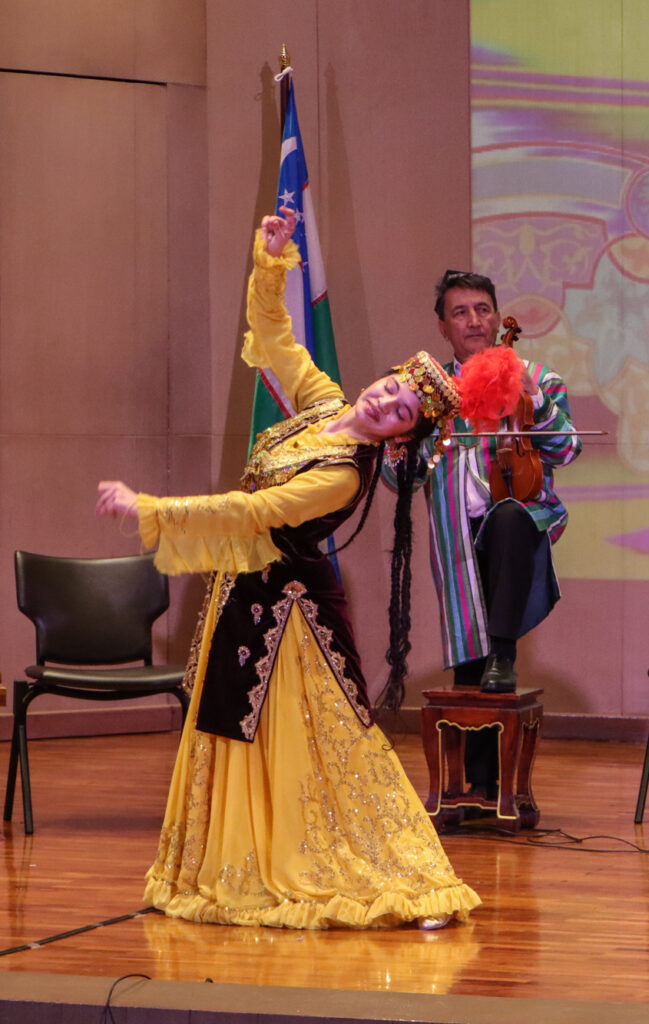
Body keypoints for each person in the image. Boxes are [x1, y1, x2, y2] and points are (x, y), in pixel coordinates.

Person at [95, 209, 519, 929]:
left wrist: (153, 508)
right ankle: (232, 863)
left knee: (322, 749)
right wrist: (271, 260)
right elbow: (277, 342)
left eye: (400, 412)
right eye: (391, 389)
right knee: (236, 735)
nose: (386, 402)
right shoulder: (324, 407)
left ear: (398, 440)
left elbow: (249, 512)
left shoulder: (342, 476)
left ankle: (400, 876)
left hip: (294, 619)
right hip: (245, 592)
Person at [385, 269, 580, 802]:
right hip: (455, 527)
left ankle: (504, 654)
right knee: (470, 665)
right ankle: (481, 788)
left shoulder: (538, 375)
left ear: (498, 316)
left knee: (512, 519)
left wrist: (535, 400)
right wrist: (400, 440)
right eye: (460, 312)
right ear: (443, 327)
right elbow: (397, 478)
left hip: (523, 523)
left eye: (482, 309)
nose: (474, 320)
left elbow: (566, 450)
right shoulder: (428, 393)